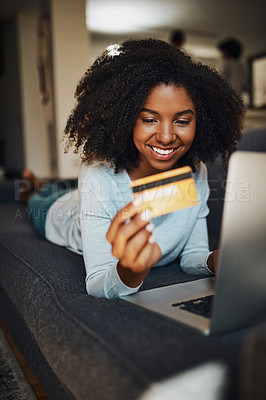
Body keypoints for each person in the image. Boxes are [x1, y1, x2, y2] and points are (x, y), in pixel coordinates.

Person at [21, 38, 245, 299]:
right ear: (127, 119)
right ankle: (33, 188)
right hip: (60, 215)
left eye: (182, 121)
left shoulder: (196, 172)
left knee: (73, 190)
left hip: (89, 196)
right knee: (38, 199)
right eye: (149, 119)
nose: (165, 136)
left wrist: (212, 261)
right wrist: (130, 271)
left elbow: (191, 255)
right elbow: (96, 283)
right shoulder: (99, 177)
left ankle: (47, 186)